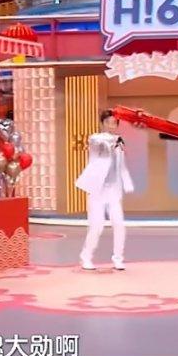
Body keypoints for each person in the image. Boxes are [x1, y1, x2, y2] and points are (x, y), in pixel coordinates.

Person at [76, 109, 134, 271]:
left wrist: (127, 183)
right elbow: (100, 146)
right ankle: (86, 257)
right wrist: (115, 142)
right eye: (108, 122)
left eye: (114, 123)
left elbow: (121, 166)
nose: (111, 125)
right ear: (102, 123)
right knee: (97, 225)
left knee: (119, 224)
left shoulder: (119, 142)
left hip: (113, 190)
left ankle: (118, 259)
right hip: (97, 190)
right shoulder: (96, 139)